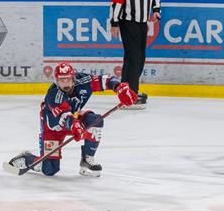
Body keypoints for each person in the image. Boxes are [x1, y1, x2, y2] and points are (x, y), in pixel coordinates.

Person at [7, 62, 137, 177]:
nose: (65, 83)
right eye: (61, 80)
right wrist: (75, 126)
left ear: (73, 78)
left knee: (95, 120)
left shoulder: (83, 80)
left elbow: (106, 80)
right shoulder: (54, 94)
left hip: (73, 120)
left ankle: (87, 158)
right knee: (50, 169)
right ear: (56, 81)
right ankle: (27, 158)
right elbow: (64, 116)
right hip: (52, 128)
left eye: (68, 79)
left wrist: (119, 88)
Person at [110, 0, 161, 108]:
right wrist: (114, 22)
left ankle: (126, 91)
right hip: (127, 21)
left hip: (142, 22)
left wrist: (156, 9)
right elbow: (117, 0)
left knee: (136, 56)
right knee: (135, 57)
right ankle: (132, 93)